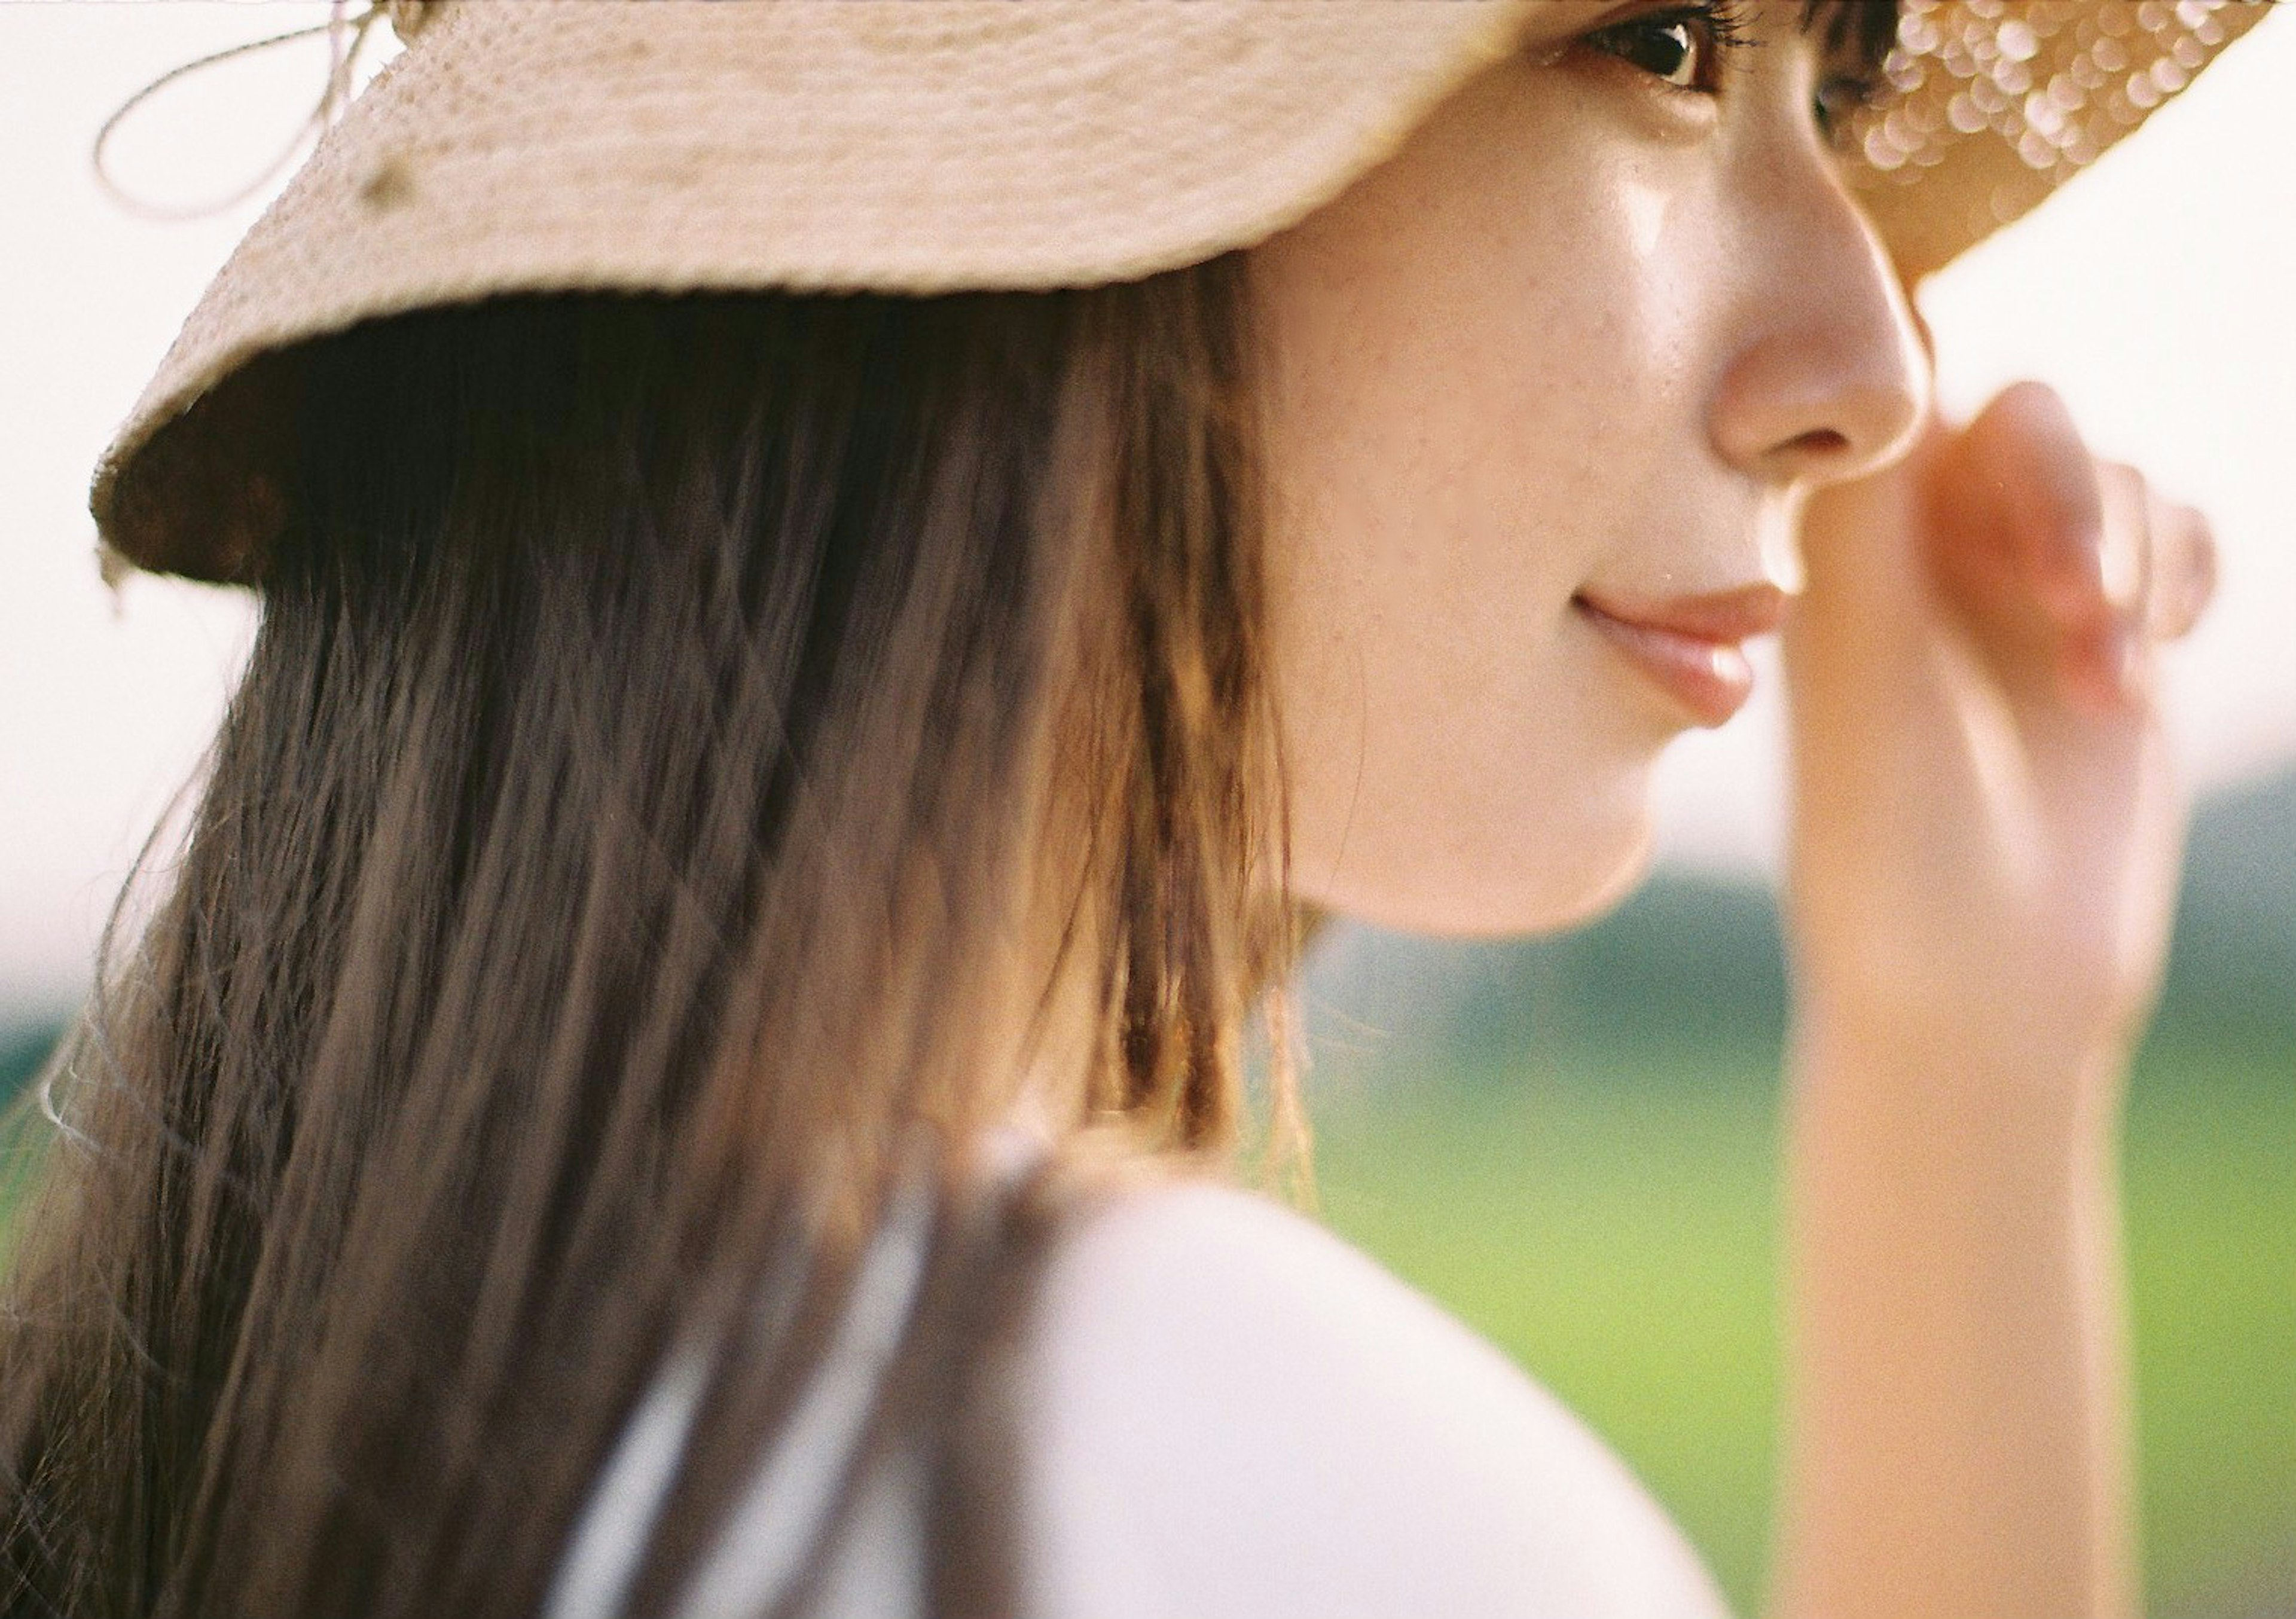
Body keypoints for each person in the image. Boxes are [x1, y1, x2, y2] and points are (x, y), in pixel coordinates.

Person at [0, 2, 2264, 1616]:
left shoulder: (235, 1399)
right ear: (1026, 183)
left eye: (1839, 77)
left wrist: (1966, 1058)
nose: (1877, 372)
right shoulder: (1229, 1489)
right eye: (1662, 45)